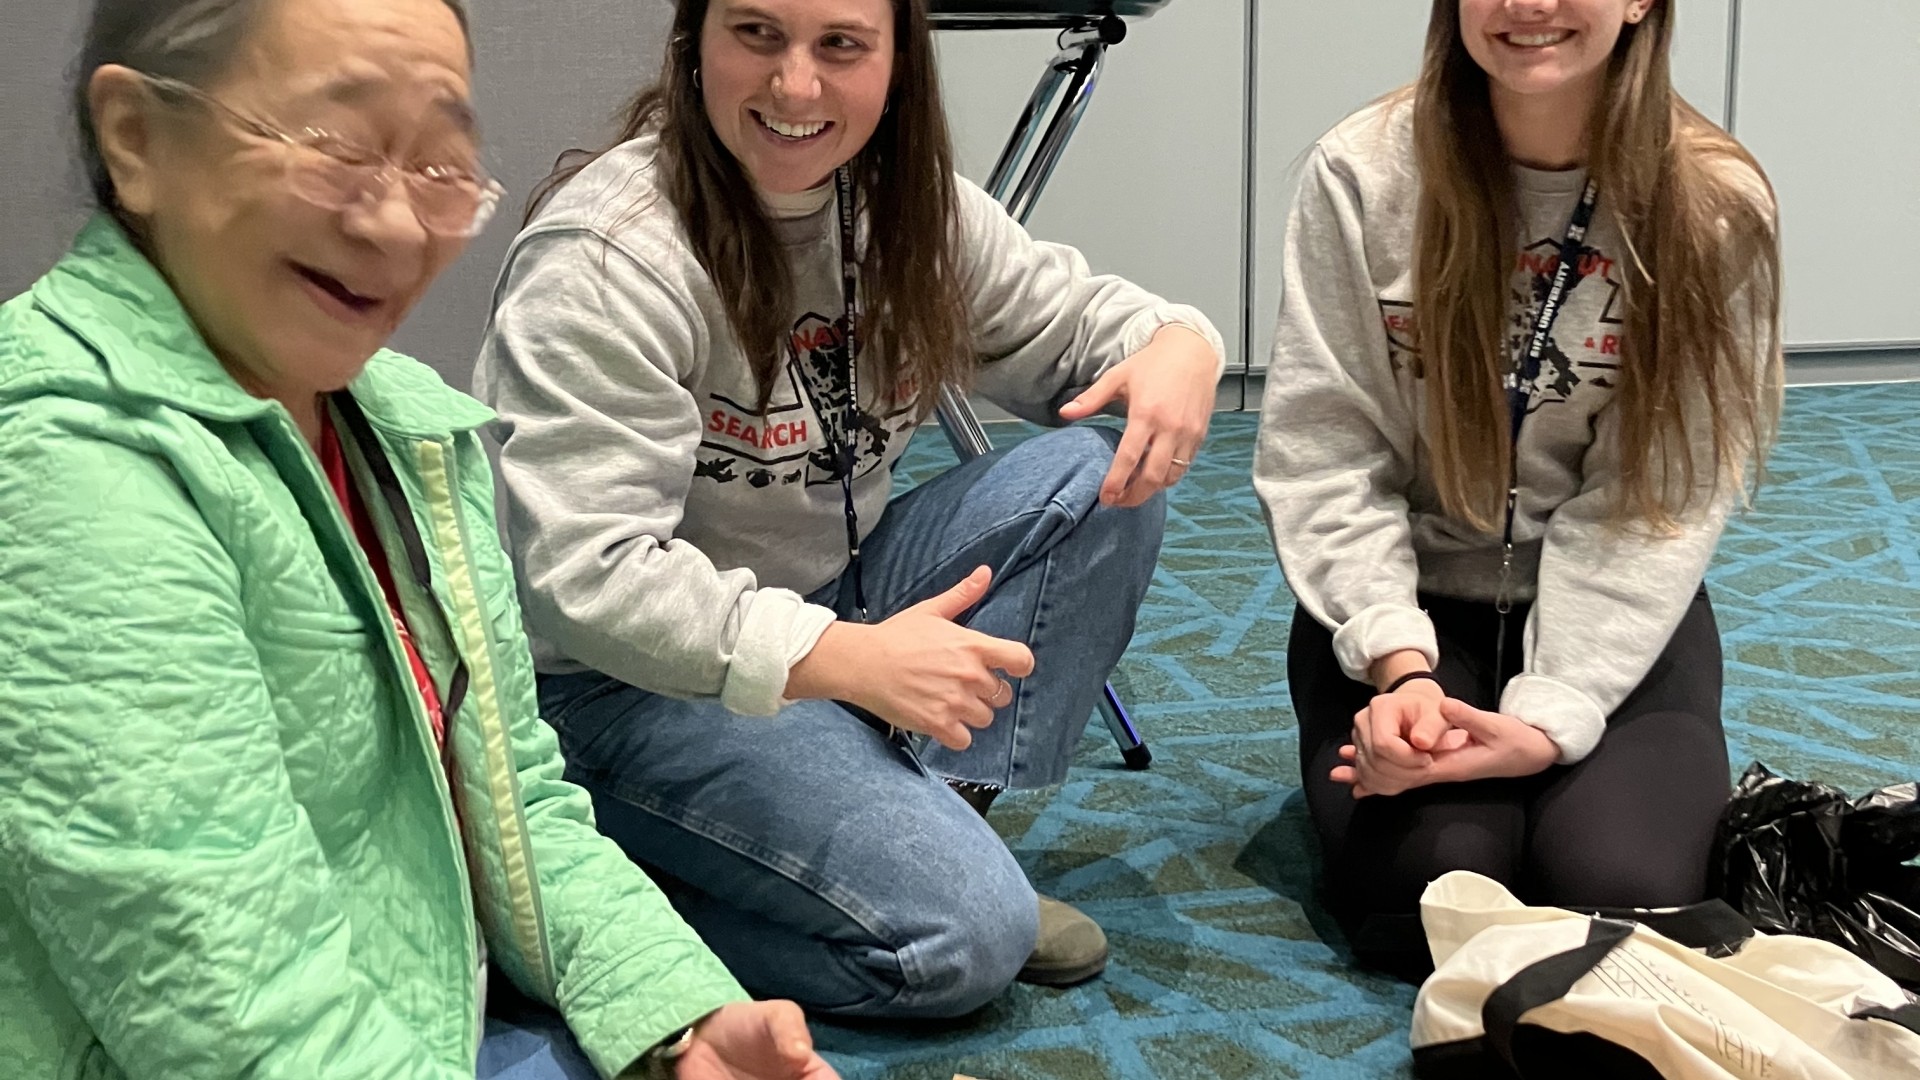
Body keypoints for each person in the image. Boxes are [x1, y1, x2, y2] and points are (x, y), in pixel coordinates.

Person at [0, 1, 839, 1077]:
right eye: (335, 146)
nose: (399, 229)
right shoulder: (67, 466)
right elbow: (226, 1000)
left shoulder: (399, 421)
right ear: (138, 139)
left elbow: (512, 798)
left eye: (441, 166)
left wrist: (676, 1015)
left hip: (430, 984)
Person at [474, 0, 1226, 1017]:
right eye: (757, 34)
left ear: (896, 63)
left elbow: (1085, 326)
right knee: (961, 943)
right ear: (695, 41)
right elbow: (585, 582)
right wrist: (840, 659)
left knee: (1101, 478)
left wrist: (1181, 341)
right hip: (614, 684)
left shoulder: (904, 206)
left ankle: (921, 834)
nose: (796, 85)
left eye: (840, 45)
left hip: (824, 602)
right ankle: (582, 908)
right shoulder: (608, 256)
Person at [1254, 0, 1782, 979]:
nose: (1528, 4)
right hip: (1410, 608)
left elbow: (1657, 500)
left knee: (1625, 894)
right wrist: (1400, 669)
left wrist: (1553, 717)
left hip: (1611, 609)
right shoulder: (1363, 172)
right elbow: (1326, 455)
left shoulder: (1714, 203)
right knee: (1436, 890)